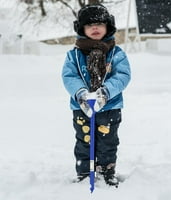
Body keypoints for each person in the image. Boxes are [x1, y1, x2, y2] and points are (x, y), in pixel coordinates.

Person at [62, 4, 131, 186]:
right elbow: (69, 76)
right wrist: (81, 93)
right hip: (82, 108)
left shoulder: (116, 53)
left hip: (109, 107)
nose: (95, 28)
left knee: (107, 142)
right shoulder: (74, 55)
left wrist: (106, 91)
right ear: (82, 28)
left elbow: (123, 75)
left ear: (108, 27)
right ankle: (85, 172)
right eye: (89, 24)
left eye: (100, 23)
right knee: (85, 141)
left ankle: (106, 171)